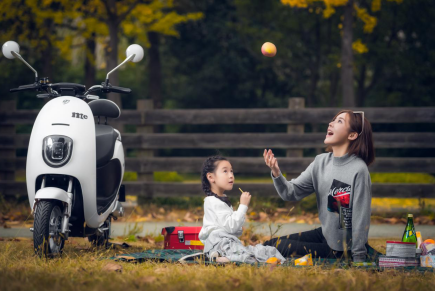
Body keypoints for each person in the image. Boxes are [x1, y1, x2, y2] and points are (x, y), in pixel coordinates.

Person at [263, 110, 376, 262]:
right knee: (270, 245)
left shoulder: (358, 169)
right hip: (324, 235)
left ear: (352, 135)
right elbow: (290, 193)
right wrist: (276, 173)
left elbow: (361, 218)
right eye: (334, 119)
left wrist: (358, 258)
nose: (331, 123)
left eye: (339, 121)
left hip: (342, 248)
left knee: (280, 248)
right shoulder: (320, 162)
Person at [198, 156, 286, 264]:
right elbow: (231, 227)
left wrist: (239, 220)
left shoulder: (221, 200)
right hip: (220, 244)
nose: (231, 175)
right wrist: (243, 206)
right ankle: (222, 258)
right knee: (249, 257)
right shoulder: (212, 201)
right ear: (211, 177)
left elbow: (234, 230)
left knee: (264, 251)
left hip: (229, 243)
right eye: (225, 171)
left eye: (231, 171)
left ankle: (224, 258)